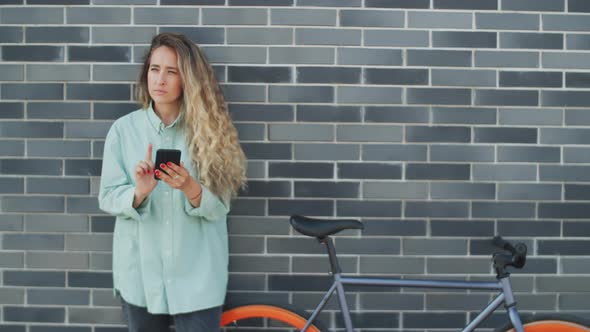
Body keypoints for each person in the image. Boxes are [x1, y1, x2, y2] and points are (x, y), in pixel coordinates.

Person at [98, 32, 247, 332]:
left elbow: (220, 208)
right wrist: (138, 193)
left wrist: (190, 188)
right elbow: (108, 197)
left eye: (172, 72)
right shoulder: (123, 131)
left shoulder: (210, 131)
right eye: (154, 69)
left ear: (188, 80)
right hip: (140, 275)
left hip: (198, 276)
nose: (160, 80)